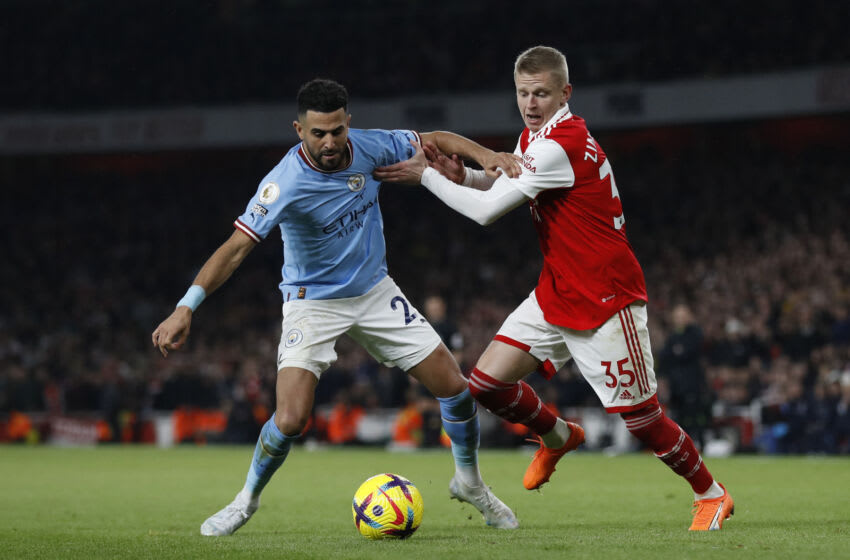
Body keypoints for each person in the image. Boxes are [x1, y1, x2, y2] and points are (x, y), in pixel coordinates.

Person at [374, 46, 735, 531]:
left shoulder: (560, 143)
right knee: (487, 384)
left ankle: (711, 493)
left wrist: (426, 177)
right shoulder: (537, 136)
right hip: (558, 288)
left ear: (565, 93)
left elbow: (487, 213)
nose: (530, 103)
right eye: (523, 93)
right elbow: (501, 188)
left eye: (541, 93)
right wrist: (465, 175)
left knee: (641, 419)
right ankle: (559, 435)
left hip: (605, 297)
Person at [151, 78, 518, 536]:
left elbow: (435, 139)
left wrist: (486, 155)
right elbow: (235, 248)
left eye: (337, 131)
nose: (329, 142)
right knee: (290, 419)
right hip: (313, 302)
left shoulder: (371, 146)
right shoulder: (283, 183)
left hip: (374, 292)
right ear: (298, 130)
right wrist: (186, 306)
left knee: (456, 390)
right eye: (318, 133)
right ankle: (245, 500)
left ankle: (470, 484)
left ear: (348, 123)